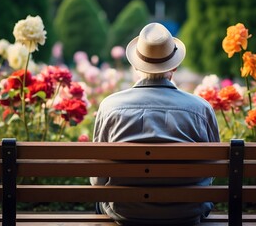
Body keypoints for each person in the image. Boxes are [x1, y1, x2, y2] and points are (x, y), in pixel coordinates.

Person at [91, 22, 220, 226]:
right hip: (187, 213)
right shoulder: (201, 109)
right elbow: (214, 169)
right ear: (175, 66)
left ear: (135, 65)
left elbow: (98, 177)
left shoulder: (110, 106)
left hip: (125, 213)